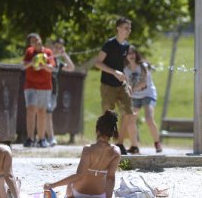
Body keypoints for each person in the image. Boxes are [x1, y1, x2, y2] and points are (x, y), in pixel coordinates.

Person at [43, 110, 121, 198]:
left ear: (97, 131)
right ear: (111, 133)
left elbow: (79, 175)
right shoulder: (116, 152)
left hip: (80, 193)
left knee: (72, 180)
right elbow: (110, 179)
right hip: (100, 195)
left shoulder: (88, 149)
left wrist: (52, 185)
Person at [94, 17, 139, 155]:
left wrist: (128, 83)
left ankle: (119, 143)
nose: (128, 31)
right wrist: (114, 72)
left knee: (128, 112)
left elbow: (123, 66)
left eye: (129, 28)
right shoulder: (109, 44)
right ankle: (103, 143)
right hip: (108, 85)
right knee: (108, 114)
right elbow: (98, 63)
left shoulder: (126, 46)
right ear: (118, 28)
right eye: (126, 28)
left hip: (122, 85)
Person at [123, 45, 162, 153]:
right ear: (125, 56)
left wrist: (132, 89)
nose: (130, 55)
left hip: (148, 94)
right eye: (128, 53)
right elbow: (127, 84)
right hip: (135, 97)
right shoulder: (126, 69)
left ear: (136, 54)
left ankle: (157, 142)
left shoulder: (143, 66)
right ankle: (134, 146)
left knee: (149, 119)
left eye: (132, 53)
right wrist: (129, 90)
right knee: (131, 120)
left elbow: (143, 83)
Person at [23, 33, 55, 148]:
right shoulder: (29, 52)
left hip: (45, 86)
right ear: (30, 43)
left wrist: (43, 64)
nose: (36, 42)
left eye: (37, 39)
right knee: (31, 110)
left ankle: (41, 139)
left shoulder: (48, 52)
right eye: (33, 41)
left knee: (42, 112)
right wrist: (33, 61)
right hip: (30, 85)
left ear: (40, 39)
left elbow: (51, 68)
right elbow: (23, 66)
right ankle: (30, 138)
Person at [46, 38, 75, 147]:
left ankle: (46, 137)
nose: (57, 49)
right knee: (47, 113)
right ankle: (50, 137)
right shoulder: (46, 58)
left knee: (48, 113)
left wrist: (65, 55)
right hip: (44, 89)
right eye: (56, 47)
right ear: (51, 46)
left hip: (53, 91)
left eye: (60, 48)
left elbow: (71, 68)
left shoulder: (58, 62)